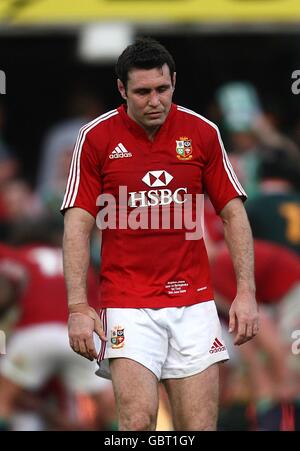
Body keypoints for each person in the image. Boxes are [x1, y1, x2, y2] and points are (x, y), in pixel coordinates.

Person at [61, 38, 259, 431]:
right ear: (122, 89)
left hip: (195, 302)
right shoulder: (96, 138)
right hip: (127, 302)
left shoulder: (202, 132)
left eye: (162, 89)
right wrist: (77, 307)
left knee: (199, 427)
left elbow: (234, 214)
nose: (155, 100)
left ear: (174, 83)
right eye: (142, 92)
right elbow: (77, 223)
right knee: (137, 423)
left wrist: (246, 292)